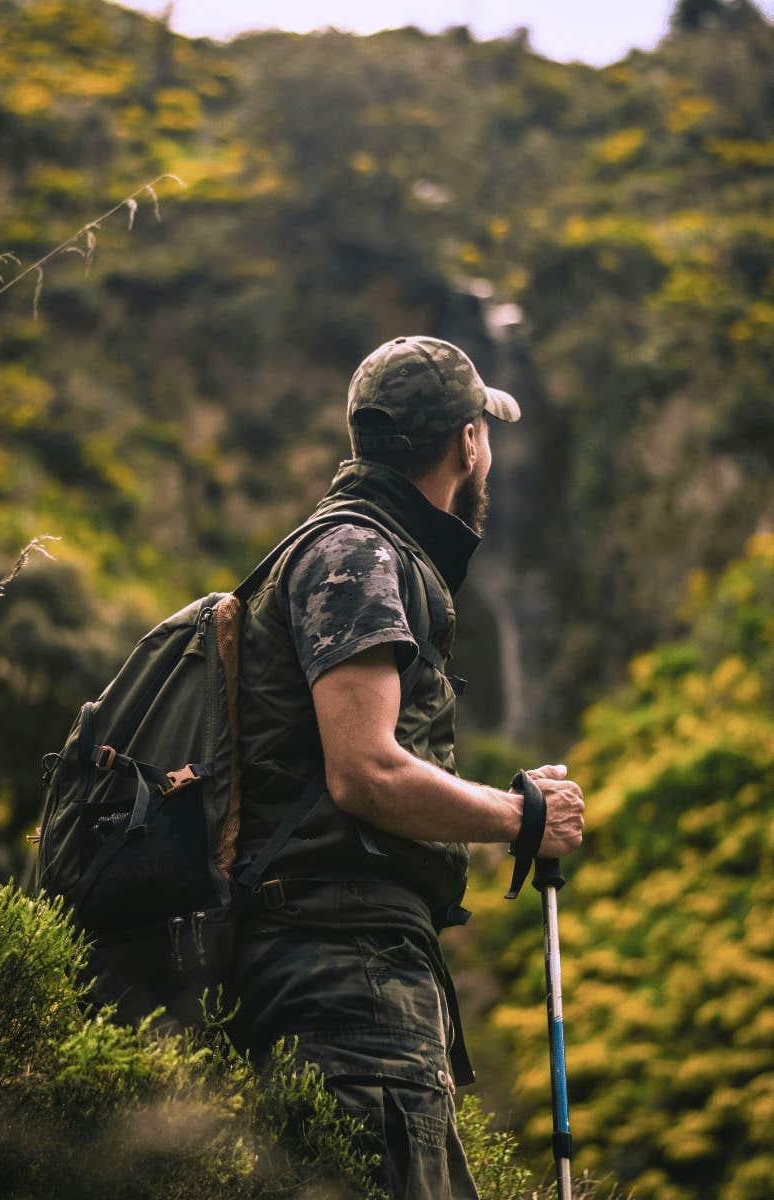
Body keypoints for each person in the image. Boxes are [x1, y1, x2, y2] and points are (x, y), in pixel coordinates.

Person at [230, 335, 585, 1199]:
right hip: (345, 975)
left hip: (335, 966)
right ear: (469, 441)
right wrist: (523, 818)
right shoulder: (360, 554)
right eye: (483, 431)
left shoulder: (351, 547)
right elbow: (366, 773)